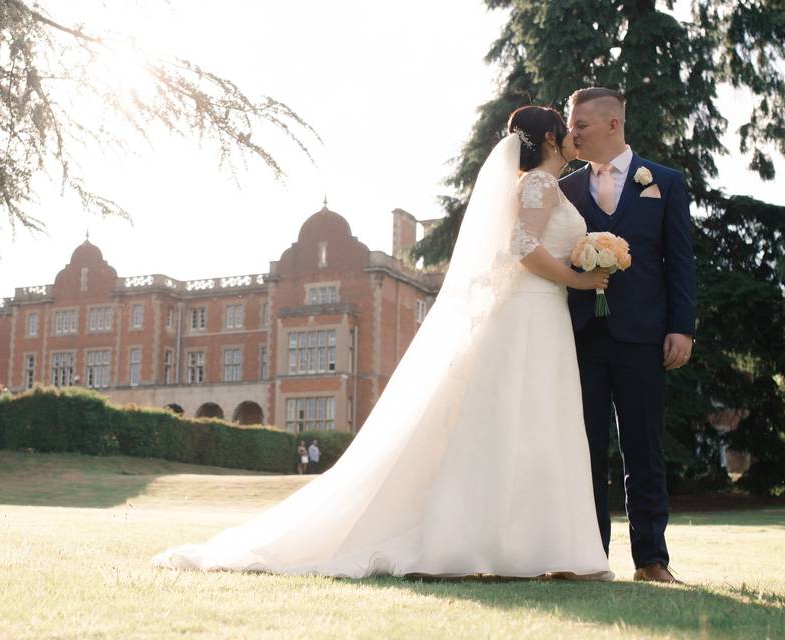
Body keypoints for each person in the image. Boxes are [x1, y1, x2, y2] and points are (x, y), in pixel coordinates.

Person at [152, 106, 612, 579]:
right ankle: (505, 544)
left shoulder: (546, 187)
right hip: (531, 312)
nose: (576, 134)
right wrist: (578, 280)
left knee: (539, 423)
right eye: (568, 127)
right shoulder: (537, 184)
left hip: (543, 313)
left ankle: (540, 546)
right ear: (552, 139)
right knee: (527, 419)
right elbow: (523, 246)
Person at [561, 87, 694, 584]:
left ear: (613, 125)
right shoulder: (567, 190)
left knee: (643, 449)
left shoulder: (664, 182)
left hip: (643, 337)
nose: (572, 132)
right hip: (580, 339)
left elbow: (679, 261)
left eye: (581, 125)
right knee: (586, 451)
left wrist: (682, 327)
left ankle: (651, 560)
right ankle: (591, 557)